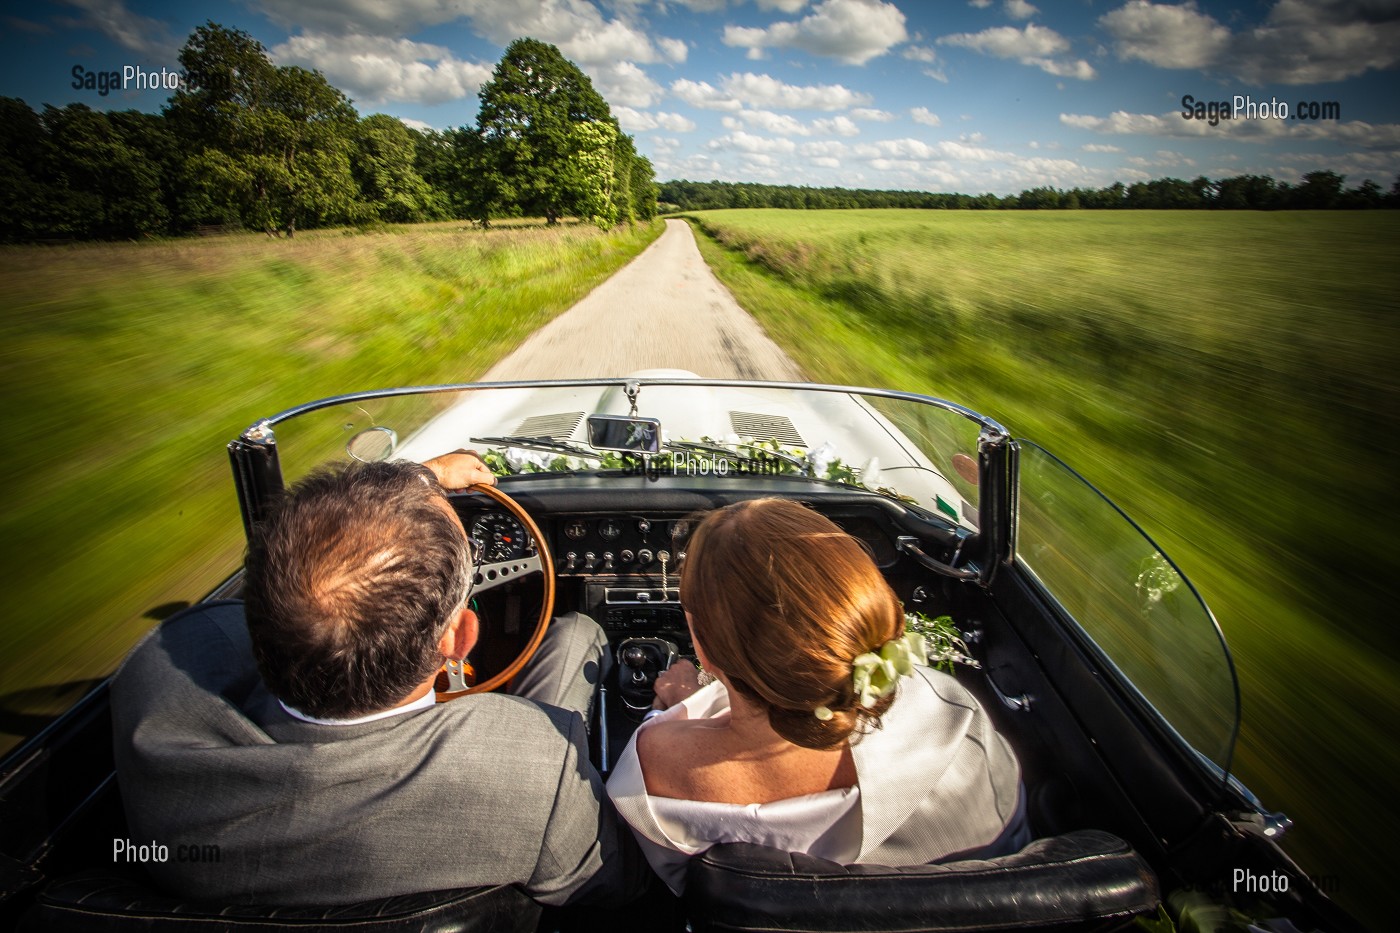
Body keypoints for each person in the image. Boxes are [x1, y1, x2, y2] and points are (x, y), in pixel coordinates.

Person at [111, 451, 646, 907]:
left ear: (261, 618)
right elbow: (604, 893)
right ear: (459, 640)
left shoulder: (155, 688)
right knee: (576, 630)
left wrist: (422, 481)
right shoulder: (536, 765)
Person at [606, 498, 1029, 894]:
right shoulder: (952, 719)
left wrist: (680, 701)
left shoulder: (650, 770)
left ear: (703, 647)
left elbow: (674, 883)